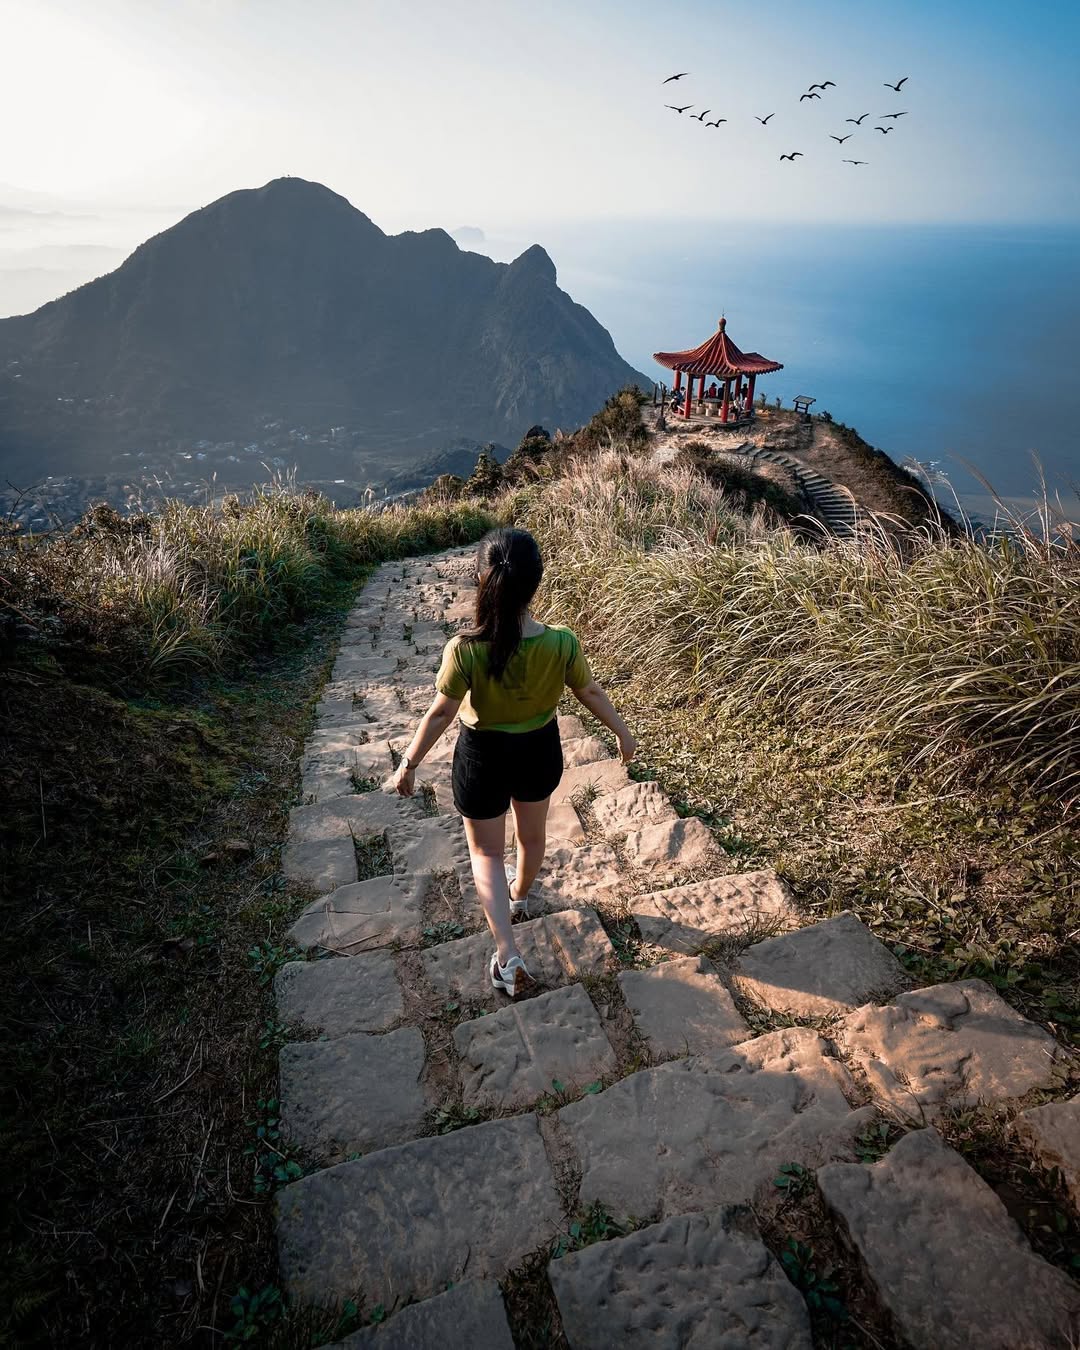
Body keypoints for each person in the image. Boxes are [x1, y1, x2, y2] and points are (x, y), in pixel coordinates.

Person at [392, 528, 636, 998]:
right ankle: (520, 896)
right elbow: (589, 692)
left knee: (485, 853)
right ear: (536, 584)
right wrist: (622, 733)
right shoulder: (561, 643)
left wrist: (409, 762)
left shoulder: (464, 648)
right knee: (531, 835)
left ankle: (506, 954)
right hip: (538, 749)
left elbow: (442, 711)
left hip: (481, 756)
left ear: (481, 581)